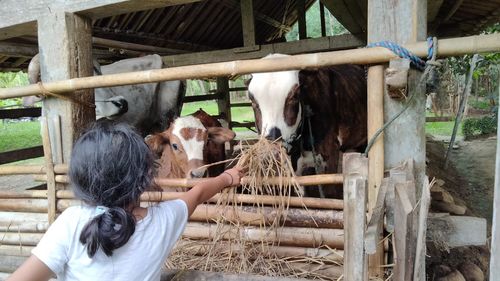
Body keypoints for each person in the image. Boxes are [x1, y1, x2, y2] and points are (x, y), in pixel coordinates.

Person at [7, 122, 243, 281]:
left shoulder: (71, 222)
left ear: (79, 179)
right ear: (146, 176)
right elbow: (199, 193)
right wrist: (227, 177)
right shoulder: (164, 220)